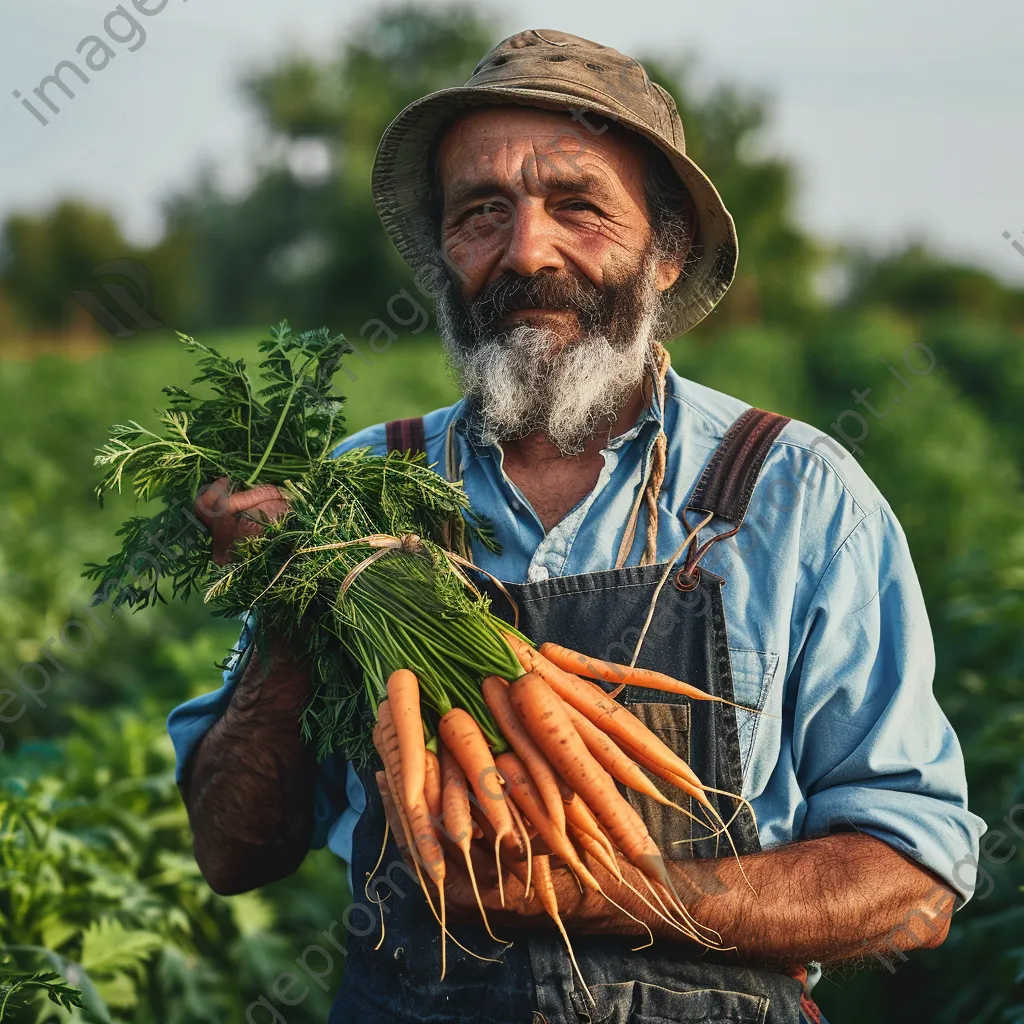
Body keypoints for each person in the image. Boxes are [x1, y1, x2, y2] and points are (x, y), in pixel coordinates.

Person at [168, 29, 986, 1024]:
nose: (526, 251)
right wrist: (294, 607)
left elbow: (912, 883)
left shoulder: (797, 496)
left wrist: (583, 896)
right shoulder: (355, 496)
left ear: (666, 246)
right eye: (481, 213)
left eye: (578, 206)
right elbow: (230, 852)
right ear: (444, 255)